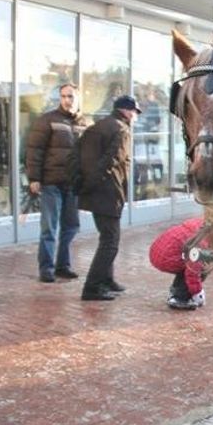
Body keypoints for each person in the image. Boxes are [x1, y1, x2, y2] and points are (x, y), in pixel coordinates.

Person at [78, 95, 140, 301]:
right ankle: (92, 287)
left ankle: (106, 279)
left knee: (107, 238)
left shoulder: (99, 126)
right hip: (108, 192)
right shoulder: (121, 130)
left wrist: (87, 185)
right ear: (126, 111)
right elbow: (111, 161)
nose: (135, 116)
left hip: (97, 192)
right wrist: (93, 183)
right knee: (110, 242)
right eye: (134, 112)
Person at [25, 82, 89, 283]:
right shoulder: (47, 120)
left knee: (71, 227)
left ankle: (63, 265)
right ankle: (46, 268)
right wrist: (34, 178)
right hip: (51, 182)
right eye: (63, 96)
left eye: (70, 96)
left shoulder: (84, 123)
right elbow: (34, 151)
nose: (67, 100)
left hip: (73, 184)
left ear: (78, 98)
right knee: (49, 228)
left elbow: (88, 155)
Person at [149, 217, 207, 310]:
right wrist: (198, 293)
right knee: (200, 268)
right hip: (166, 258)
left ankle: (176, 292)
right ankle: (180, 298)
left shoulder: (196, 224)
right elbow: (192, 272)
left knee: (188, 264)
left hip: (156, 252)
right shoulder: (200, 241)